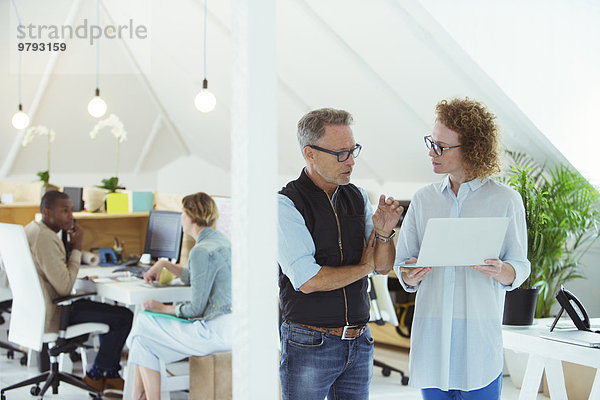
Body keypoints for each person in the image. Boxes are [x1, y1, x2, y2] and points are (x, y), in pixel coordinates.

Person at [395, 98, 531, 399]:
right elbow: (402, 265)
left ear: (471, 149)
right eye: (431, 142)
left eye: (441, 146)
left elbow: (520, 267)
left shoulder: (505, 200)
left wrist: (502, 270)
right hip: (433, 334)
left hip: (479, 339)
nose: (432, 152)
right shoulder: (423, 200)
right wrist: (411, 274)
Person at [278, 108, 403, 400]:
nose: (351, 162)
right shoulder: (286, 205)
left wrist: (384, 233)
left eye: (353, 151)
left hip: (359, 342)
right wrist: (364, 267)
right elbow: (308, 279)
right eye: (340, 154)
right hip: (310, 342)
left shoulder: (357, 196)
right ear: (310, 153)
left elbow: (383, 267)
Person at [25, 191, 133, 396]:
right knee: (123, 316)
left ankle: (110, 375)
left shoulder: (33, 229)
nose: (71, 216)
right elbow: (65, 286)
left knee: (112, 313)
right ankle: (96, 375)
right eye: (64, 211)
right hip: (55, 313)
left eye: (71, 210)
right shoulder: (45, 238)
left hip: (40, 310)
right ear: (47, 212)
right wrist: (77, 247)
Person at [127, 192, 231, 400]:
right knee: (142, 341)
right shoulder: (221, 241)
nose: (181, 218)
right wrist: (165, 264)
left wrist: (162, 308)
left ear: (191, 216)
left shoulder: (200, 251)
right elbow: (196, 276)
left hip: (213, 332)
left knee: (142, 323)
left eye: (183, 213)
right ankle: (139, 397)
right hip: (230, 327)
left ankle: (139, 396)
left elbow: (196, 310)